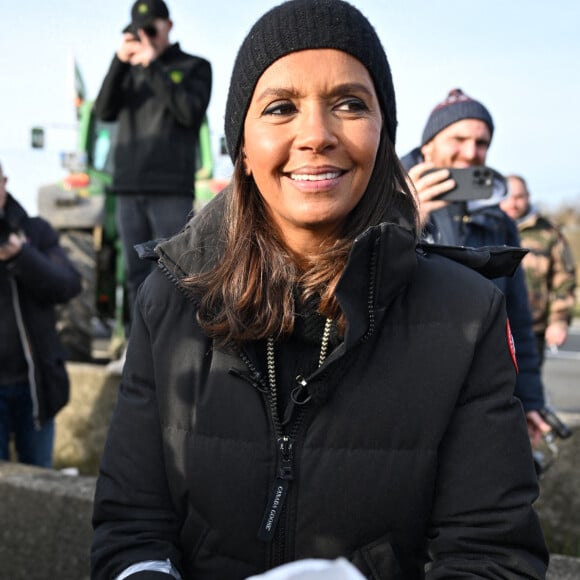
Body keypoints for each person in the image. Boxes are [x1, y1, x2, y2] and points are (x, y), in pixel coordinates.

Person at [91, 1, 548, 578]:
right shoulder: (168, 299)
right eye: (281, 108)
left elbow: (492, 554)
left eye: (351, 104)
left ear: (385, 134)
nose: (316, 135)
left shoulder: (467, 311)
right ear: (243, 147)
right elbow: (131, 527)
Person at [401, 88, 552, 447]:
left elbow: (517, 317)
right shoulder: (382, 199)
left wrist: (530, 398)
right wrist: (404, 222)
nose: (472, 153)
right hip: (407, 394)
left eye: (482, 143)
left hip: (479, 396)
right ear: (427, 147)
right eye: (459, 139)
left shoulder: (498, 220)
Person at [94, 0, 212, 339]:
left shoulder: (194, 67)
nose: (146, 35)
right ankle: (138, 349)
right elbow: (104, 110)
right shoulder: (127, 72)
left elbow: (189, 113)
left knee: (176, 274)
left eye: (152, 27)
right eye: (139, 29)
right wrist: (120, 62)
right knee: (136, 276)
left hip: (171, 190)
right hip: (128, 189)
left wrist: (154, 65)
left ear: (169, 26)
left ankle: (178, 349)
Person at [0, 161, 81, 468]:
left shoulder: (36, 232)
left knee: (38, 480)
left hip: (34, 387)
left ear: (4, 182)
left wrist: (21, 256)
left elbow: (68, 285)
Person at [501, 174, 577, 365]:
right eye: (508, 196)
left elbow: (564, 279)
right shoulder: (487, 227)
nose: (513, 203)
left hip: (532, 329)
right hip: (494, 327)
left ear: (528, 196)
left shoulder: (549, 232)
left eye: (519, 197)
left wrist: (559, 320)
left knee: (527, 387)